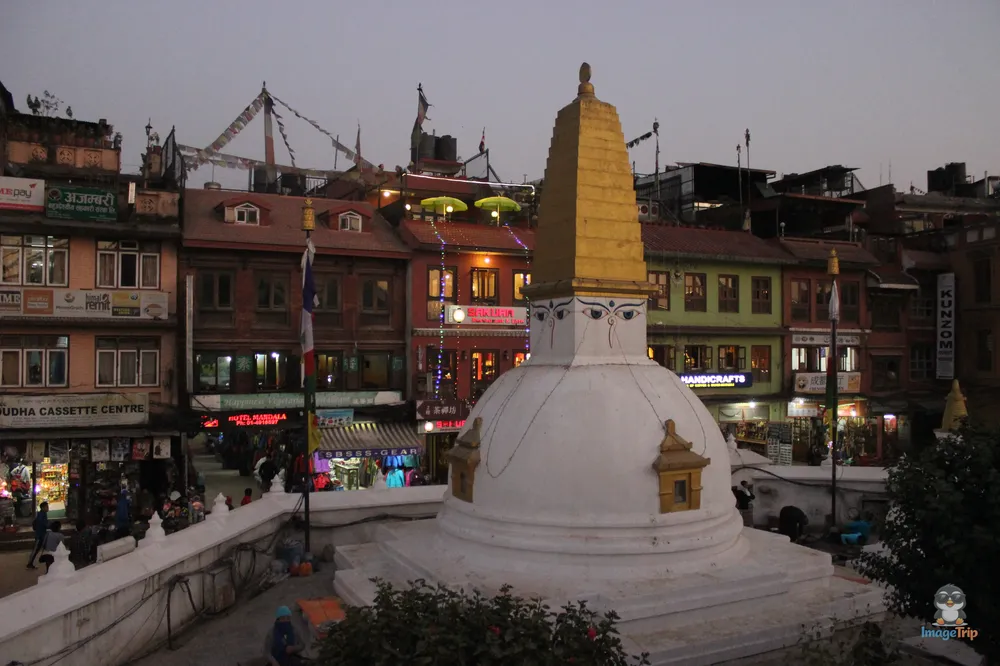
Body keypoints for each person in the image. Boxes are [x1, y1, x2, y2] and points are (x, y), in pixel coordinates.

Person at [26, 501, 49, 569]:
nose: (48, 508)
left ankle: (31, 563)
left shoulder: (42, 514)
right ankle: (29, 563)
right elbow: (44, 524)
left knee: (36, 550)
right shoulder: (41, 515)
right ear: (43, 507)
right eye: (46, 507)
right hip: (39, 535)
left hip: (41, 535)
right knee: (35, 550)